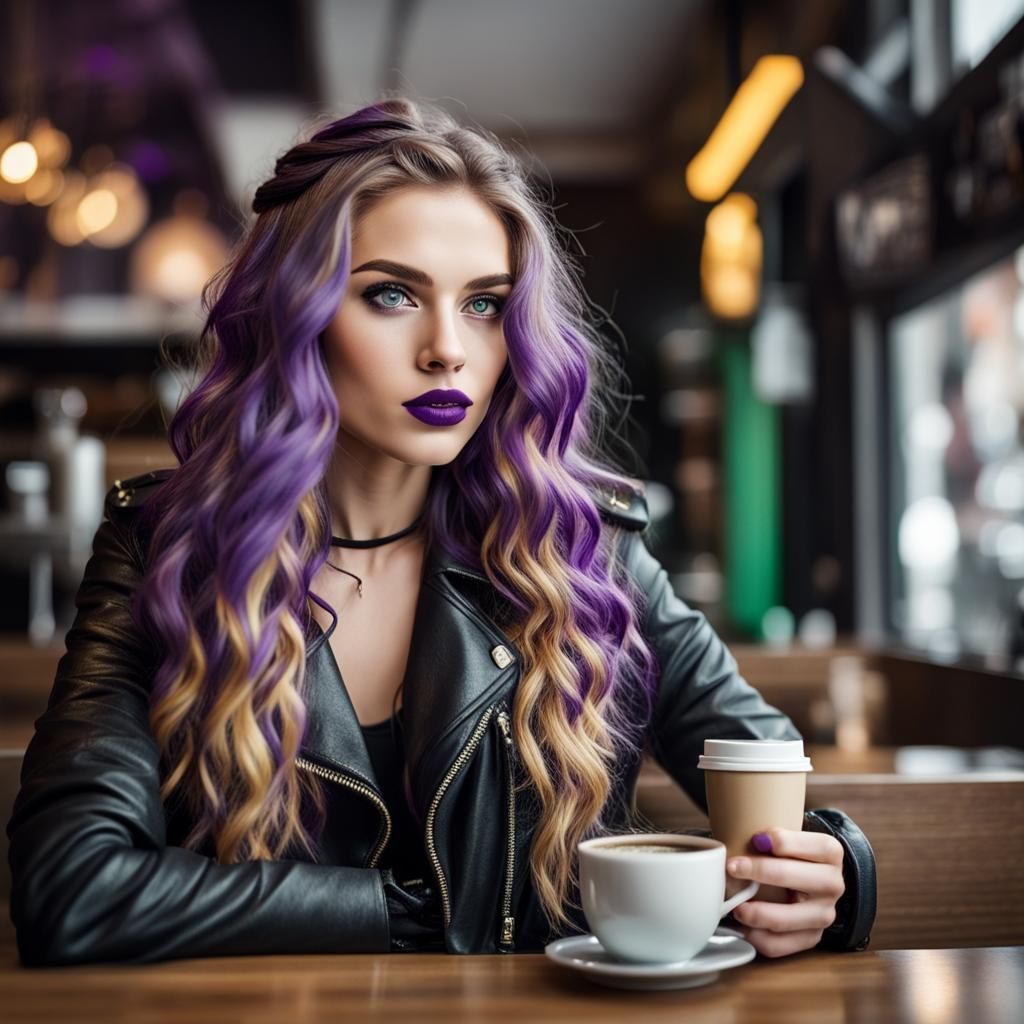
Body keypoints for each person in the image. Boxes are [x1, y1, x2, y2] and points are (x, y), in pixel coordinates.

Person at [6, 98, 875, 966]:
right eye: (391, 295)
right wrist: (387, 915)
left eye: (486, 304)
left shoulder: (583, 552)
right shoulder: (166, 553)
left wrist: (832, 877)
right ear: (293, 315)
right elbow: (70, 891)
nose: (447, 349)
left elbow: (770, 775)